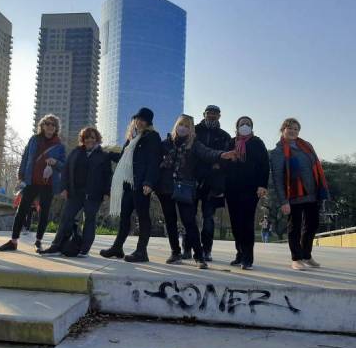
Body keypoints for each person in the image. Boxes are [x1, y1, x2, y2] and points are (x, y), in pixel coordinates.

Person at [156, 115, 234, 269]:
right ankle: (175, 252)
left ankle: (199, 256)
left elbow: (208, 153)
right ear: (176, 126)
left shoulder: (195, 144)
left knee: (189, 222)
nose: (183, 128)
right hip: (165, 188)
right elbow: (154, 160)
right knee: (170, 221)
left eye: (186, 126)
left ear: (191, 129)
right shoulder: (165, 144)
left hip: (185, 187)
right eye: (181, 125)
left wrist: (221, 155)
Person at [100, 107, 161, 263]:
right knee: (125, 217)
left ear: (148, 123)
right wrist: (106, 153)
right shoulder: (132, 138)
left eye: (143, 120)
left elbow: (153, 161)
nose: (139, 122)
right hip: (128, 183)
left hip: (141, 184)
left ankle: (142, 252)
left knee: (143, 217)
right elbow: (122, 158)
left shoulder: (152, 137)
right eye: (137, 119)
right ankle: (117, 248)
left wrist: (149, 182)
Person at [0, 114, 65, 253]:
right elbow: (25, 157)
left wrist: (56, 162)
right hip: (31, 181)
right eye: (47, 123)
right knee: (21, 210)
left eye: (53, 124)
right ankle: (13, 241)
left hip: (48, 183)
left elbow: (64, 166)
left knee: (44, 213)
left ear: (56, 128)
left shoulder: (59, 146)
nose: (50, 126)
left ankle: (38, 241)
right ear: (42, 125)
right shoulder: (34, 140)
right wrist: (21, 175)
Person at [40, 127, 112, 257]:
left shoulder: (103, 156)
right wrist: (64, 188)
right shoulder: (76, 152)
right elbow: (66, 171)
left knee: (89, 221)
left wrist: (107, 192)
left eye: (92, 137)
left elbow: (108, 175)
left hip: (94, 195)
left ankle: (84, 249)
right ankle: (56, 246)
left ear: (97, 139)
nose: (90, 140)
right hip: (75, 193)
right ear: (83, 140)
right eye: (87, 137)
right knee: (66, 218)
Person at [271, 118, 329, 271]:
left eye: (296, 129)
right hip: (293, 195)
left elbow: (316, 166)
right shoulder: (278, 151)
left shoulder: (307, 146)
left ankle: (306, 255)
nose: (293, 131)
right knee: (294, 227)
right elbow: (277, 178)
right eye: (290, 128)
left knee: (312, 225)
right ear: (283, 129)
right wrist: (283, 201)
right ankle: (296, 258)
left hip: (312, 193)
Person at [183, 105, 231, 261]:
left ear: (219, 116)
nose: (212, 115)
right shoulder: (194, 131)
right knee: (189, 217)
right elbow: (191, 153)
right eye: (209, 112)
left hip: (214, 183)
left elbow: (227, 160)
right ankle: (187, 248)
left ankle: (207, 249)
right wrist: (213, 160)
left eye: (215, 113)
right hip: (193, 179)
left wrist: (218, 163)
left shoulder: (225, 136)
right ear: (203, 114)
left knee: (209, 219)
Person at [224, 116, 269, 270]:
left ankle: (248, 258)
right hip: (232, 189)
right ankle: (240, 253)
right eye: (242, 124)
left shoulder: (257, 143)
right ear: (236, 126)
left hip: (250, 189)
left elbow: (264, 165)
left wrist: (262, 185)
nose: (245, 126)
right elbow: (223, 162)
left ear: (252, 126)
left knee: (247, 223)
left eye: (247, 124)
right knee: (235, 223)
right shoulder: (231, 142)